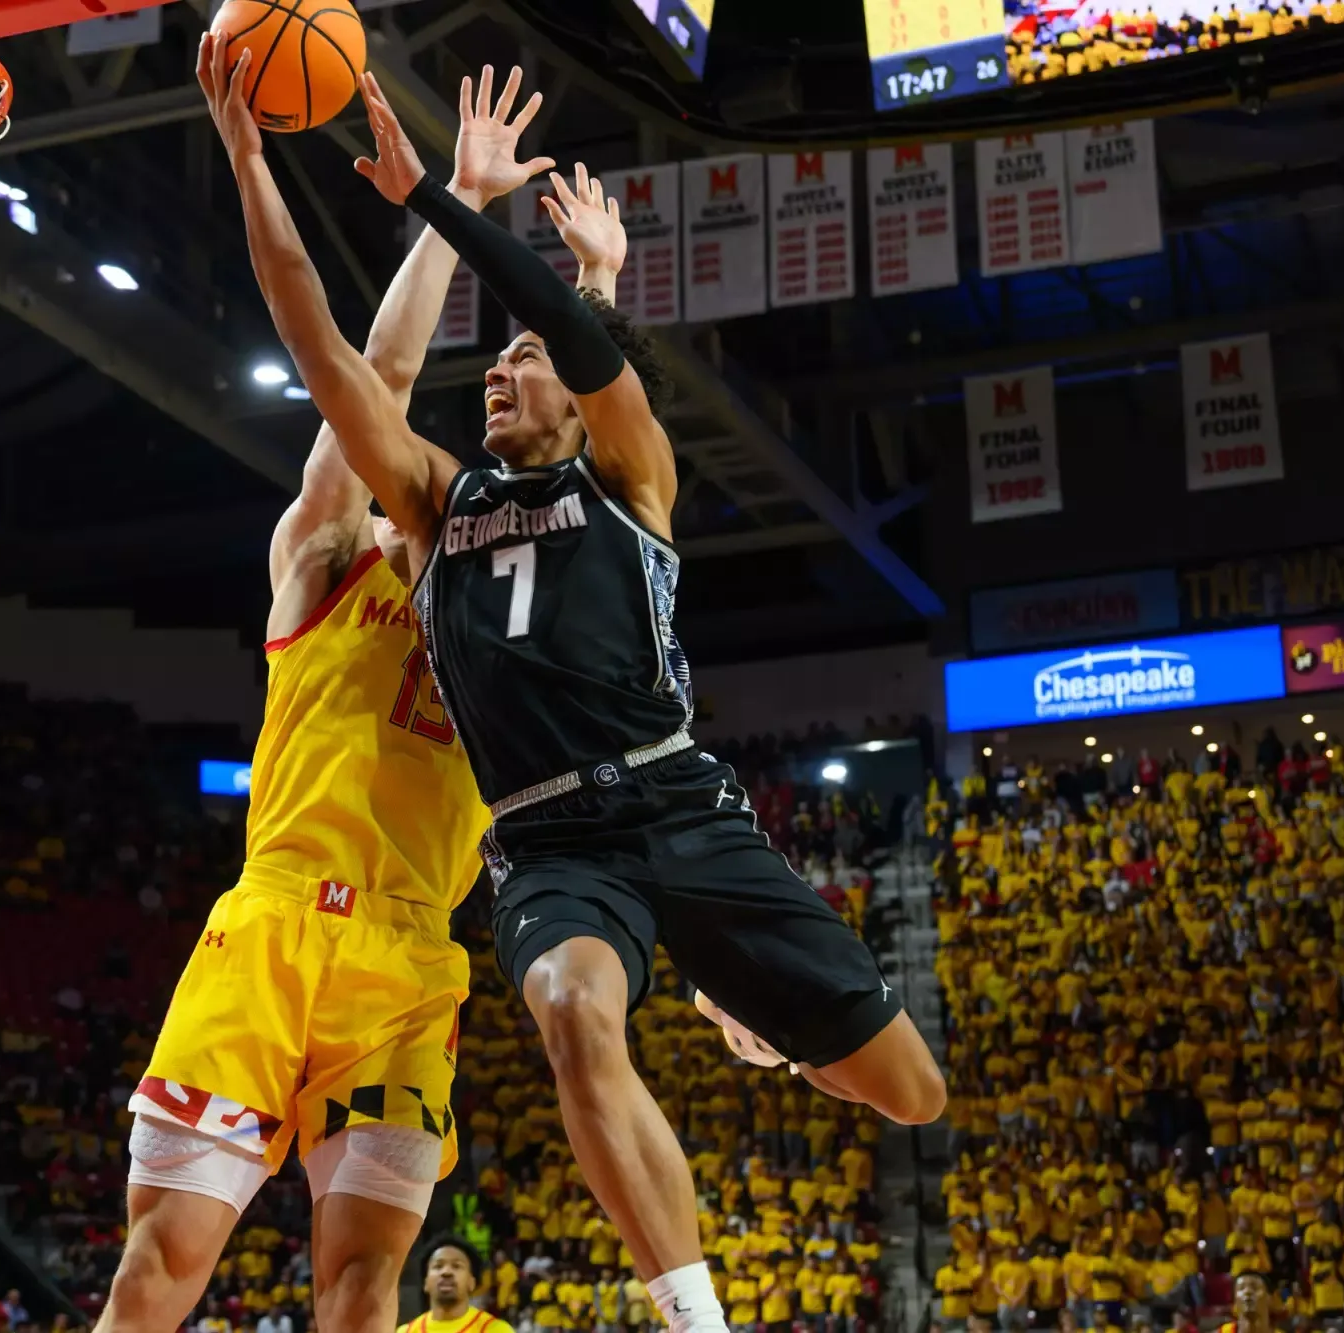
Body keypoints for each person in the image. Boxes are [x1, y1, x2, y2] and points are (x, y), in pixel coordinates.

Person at [196, 34, 945, 1333]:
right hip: (540, 843)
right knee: (566, 1013)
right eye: (493, 363)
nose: (498, 368)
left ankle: (757, 1017)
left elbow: (593, 355)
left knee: (912, 1095)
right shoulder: (430, 507)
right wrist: (256, 164)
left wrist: (475, 215)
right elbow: (334, 357)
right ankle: (695, 1312)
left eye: (522, 360)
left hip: (675, 804)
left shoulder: (631, 482)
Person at [102, 58, 556, 1333]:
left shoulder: (515, 644)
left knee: (362, 1287)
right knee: (162, 1263)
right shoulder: (323, 562)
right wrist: (447, 212)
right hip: (279, 927)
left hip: (413, 961)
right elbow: (379, 376)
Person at [397, 1235, 517, 1333]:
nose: (446, 1272)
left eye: (456, 1266)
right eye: (438, 1266)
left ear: (472, 1282)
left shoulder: (496, 1330)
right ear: (426, 1282)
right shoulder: (406, 1331)